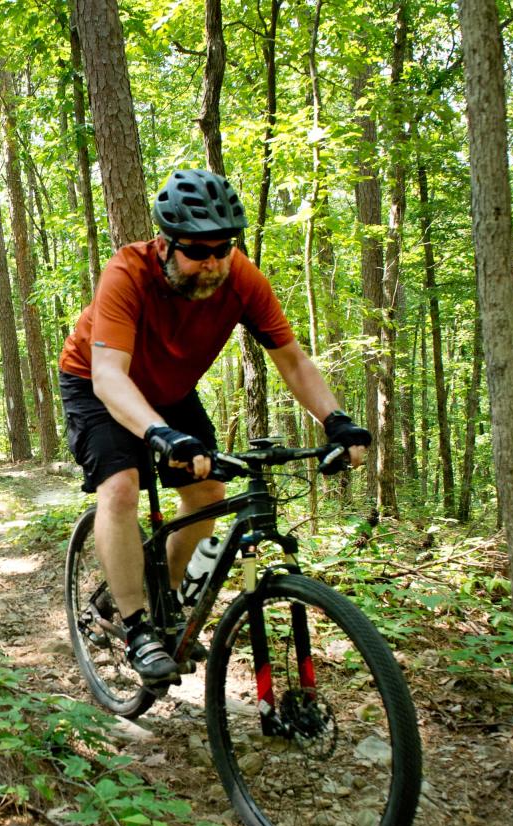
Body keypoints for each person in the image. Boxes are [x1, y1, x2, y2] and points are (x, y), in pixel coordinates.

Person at [57, 168, 372, 684]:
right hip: (96, 382)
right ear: (165, 243)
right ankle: (137, 627)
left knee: (208, 491)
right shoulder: (127, 272)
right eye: (197, 251)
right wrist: (158, 435)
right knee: (121, 488)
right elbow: (110, 376)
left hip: (171, 390)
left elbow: (291, 360)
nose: (212, 263)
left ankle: (168, 606)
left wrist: (335, 420)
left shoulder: (241, 277)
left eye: (223, 249)